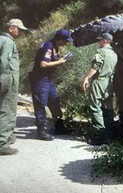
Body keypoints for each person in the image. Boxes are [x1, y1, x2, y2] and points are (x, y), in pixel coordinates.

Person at [29, 30, 73, 141]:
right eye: (66, 41)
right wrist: (59, 62)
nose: (66, 43)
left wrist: (59, 59)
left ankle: (58, 126)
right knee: (40, 104)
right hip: (40, 79)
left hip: (48, 79)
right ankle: (41, 131)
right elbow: (43, 64)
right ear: (60, 40)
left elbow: (50, 61)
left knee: (54, 101)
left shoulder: (54, 46)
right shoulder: (48, 46)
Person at [82, 33, 118, 145]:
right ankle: (110, 135)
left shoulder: (101, 52)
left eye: (100, 40)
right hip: (109, 83)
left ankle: (99, 136)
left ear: (105, 41)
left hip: (99, 81)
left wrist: (87, 78)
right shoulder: (114, 53)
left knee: (95, 107)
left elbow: (95, 67)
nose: (99, 42)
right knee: (108, 109)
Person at [0, 19, 28, 156]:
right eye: (19, 29)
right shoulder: (8, 42)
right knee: (8, 111)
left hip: (4, 79)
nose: (20, 32)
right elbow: (2, 62)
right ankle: (2, 144)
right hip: (6, 80)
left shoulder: (1, 39)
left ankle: (6, 137)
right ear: (11, 28)